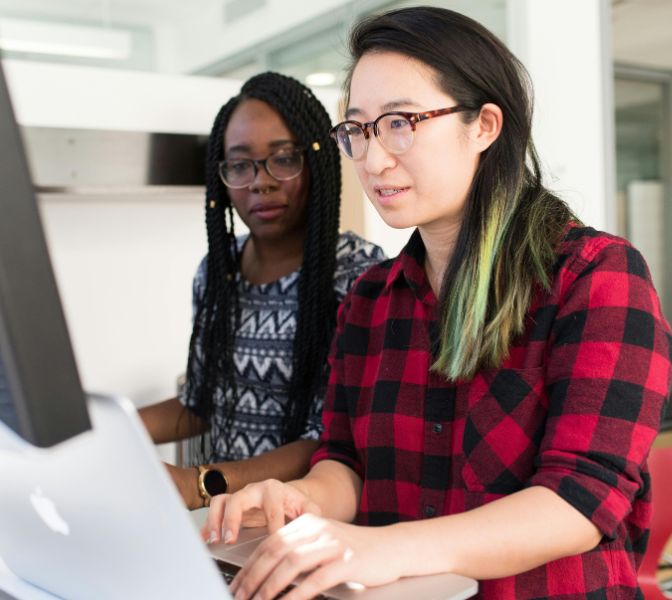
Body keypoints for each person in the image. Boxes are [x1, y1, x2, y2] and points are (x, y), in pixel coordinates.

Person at [203, 7, 672, 600]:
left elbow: (581, 499)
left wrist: (385, 547)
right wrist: (302, 498)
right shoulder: (370, 299)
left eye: (401, 122)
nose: (373, 160)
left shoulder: (596, 277)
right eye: (359, 130)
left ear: (485, 126)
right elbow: (345, 461)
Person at [139, 72, 385, 511]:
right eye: (240, 165)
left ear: (316, 163)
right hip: (225, 523)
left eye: (283, 159)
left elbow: (332, 438)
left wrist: (201, 484)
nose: (261, 181)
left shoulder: (358, 275)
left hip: (309, 523)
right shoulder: (218, 272)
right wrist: (106, 430)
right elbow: (201, 402)